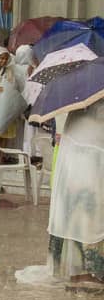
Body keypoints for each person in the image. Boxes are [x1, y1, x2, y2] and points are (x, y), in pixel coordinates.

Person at [46, 101, 104, 284]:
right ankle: (90, 271)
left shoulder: (74, 115)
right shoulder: (98, 125)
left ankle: (69, 268)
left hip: (70, 186)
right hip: (89, 185)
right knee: (89, 224)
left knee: (74, 223)